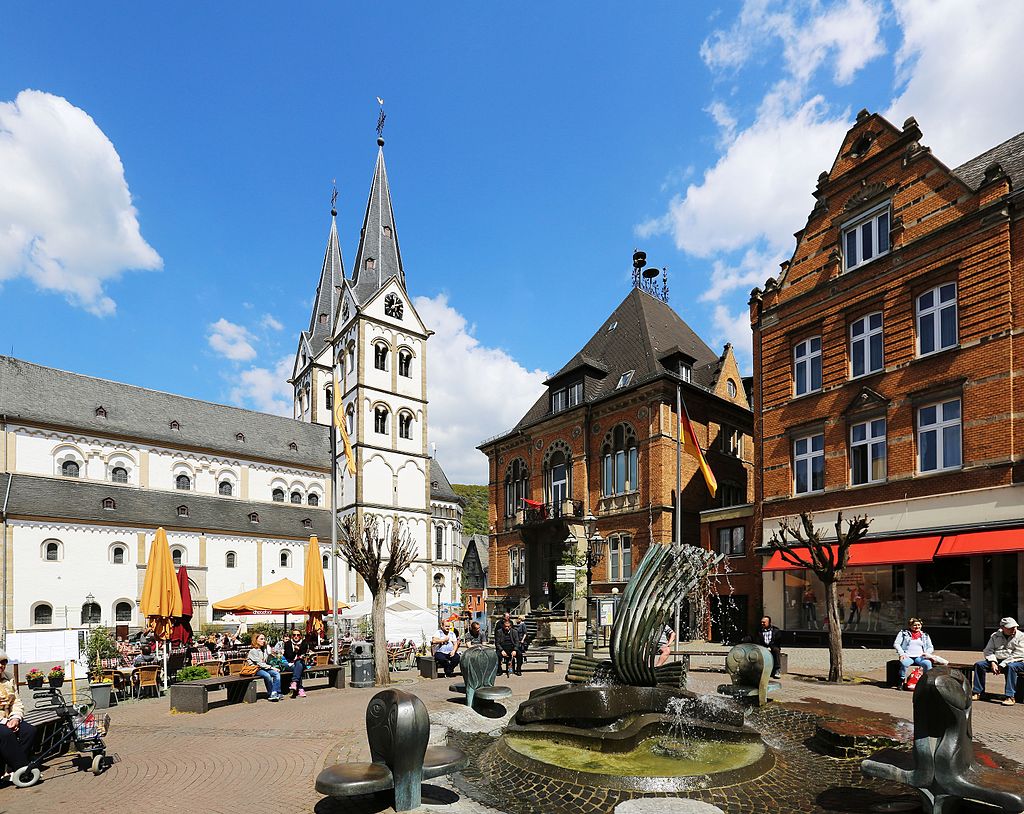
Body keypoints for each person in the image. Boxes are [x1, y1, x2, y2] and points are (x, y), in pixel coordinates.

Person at [972, 617, 1024, 706]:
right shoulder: (995, 636)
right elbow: (988, 650)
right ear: (1002, 628)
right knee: (979, 665)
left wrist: (1003, 664)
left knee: (1011, 667)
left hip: (1018, 661)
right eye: (1010, 627)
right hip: (998, 661)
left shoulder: (1021, 636)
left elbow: (1019, 654)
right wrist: (993, 662)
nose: (1014, 629)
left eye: (1015, 627)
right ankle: (978, 692)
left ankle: (1010, 696)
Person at [0, 651, 35, 781]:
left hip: (9, 718)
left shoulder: (9, 677)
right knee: (6, 734)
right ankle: (23, 770)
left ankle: (12, 768)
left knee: (29, 731)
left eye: (3, 662)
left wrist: (15, 718)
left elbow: (16, 701)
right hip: (1, 721)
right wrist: (5, 722)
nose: (0, 666)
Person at [893, 618, 935, 685]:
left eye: (919, 625)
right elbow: (896, 644)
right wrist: (902, 654)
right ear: (910, 626)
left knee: (927, 664)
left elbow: (930, 647)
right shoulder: (903, 633)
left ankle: (926, 681)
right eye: (914, 625)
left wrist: (926, 653)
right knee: (904, 664)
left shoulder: (925, 635)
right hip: (907, 656)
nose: (917, 627)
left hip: (920, 657)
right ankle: (901, 680)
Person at [247, 633, 282, 701]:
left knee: (276, 674)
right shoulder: (253, 651)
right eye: (261, 639)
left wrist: (268, 648)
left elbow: (267, 659)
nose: (263, 641)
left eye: (264, 639)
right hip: (256, 669)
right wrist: (271, 667)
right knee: (267, 675)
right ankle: (271, 693)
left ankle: (274, 692)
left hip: (264, 668)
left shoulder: (264, 649)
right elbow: (260, 663)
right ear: (256, 640)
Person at [283, 629, 310, 698]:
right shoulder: (287, 644)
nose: (296, 636)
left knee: (299, 663)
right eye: (294, 635)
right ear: (292, 636)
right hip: (290, 663)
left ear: (300, 636)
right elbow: (289, 657)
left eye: (298, 635)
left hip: (300, 662)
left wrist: (299, 651)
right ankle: (300, 688)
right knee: (298, 668)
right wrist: (295, 651)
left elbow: (303, 655)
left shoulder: (304, 643)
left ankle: (294, 682)